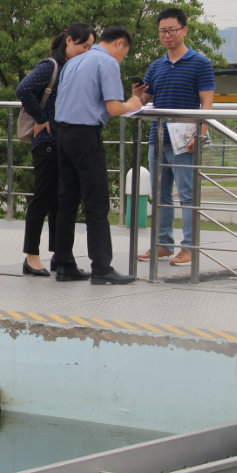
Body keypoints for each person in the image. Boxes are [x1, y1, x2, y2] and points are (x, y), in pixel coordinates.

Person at [53, 26, 142, 285]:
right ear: (120, 43)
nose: (122, 58)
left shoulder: (73, 61)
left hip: (64, 134)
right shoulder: (107, 62)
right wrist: (133, 104)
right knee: (97, 204)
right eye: (125, 52)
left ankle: (64, 264)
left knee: (67, 203)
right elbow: (114, 108)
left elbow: (59, 104)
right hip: (85, 135)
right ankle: (102, 268)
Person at [135, 8, 216, 266]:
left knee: (188, 195)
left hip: (185, 139)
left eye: (172, 30)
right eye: (162, 31)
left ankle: (189, 247)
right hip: (158, 137)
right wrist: (136, 93)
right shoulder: (156, 66)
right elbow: (143, 100)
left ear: (184, 30)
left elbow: (207, 103)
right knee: (160, 195)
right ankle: (163, 245)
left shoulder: (200, 64)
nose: (167, 35)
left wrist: (200, 135)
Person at [15, 23, 95, 276]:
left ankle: (60, 257)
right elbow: (23, 88)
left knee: (62, 202)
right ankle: (31, 257)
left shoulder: (72, 67)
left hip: (63, 142)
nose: (86, 51)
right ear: (69, 41)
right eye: (83, 45)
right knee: (44, 198)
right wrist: (41, 118)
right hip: (47, 142)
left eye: (90, 48)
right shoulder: (51, 66)